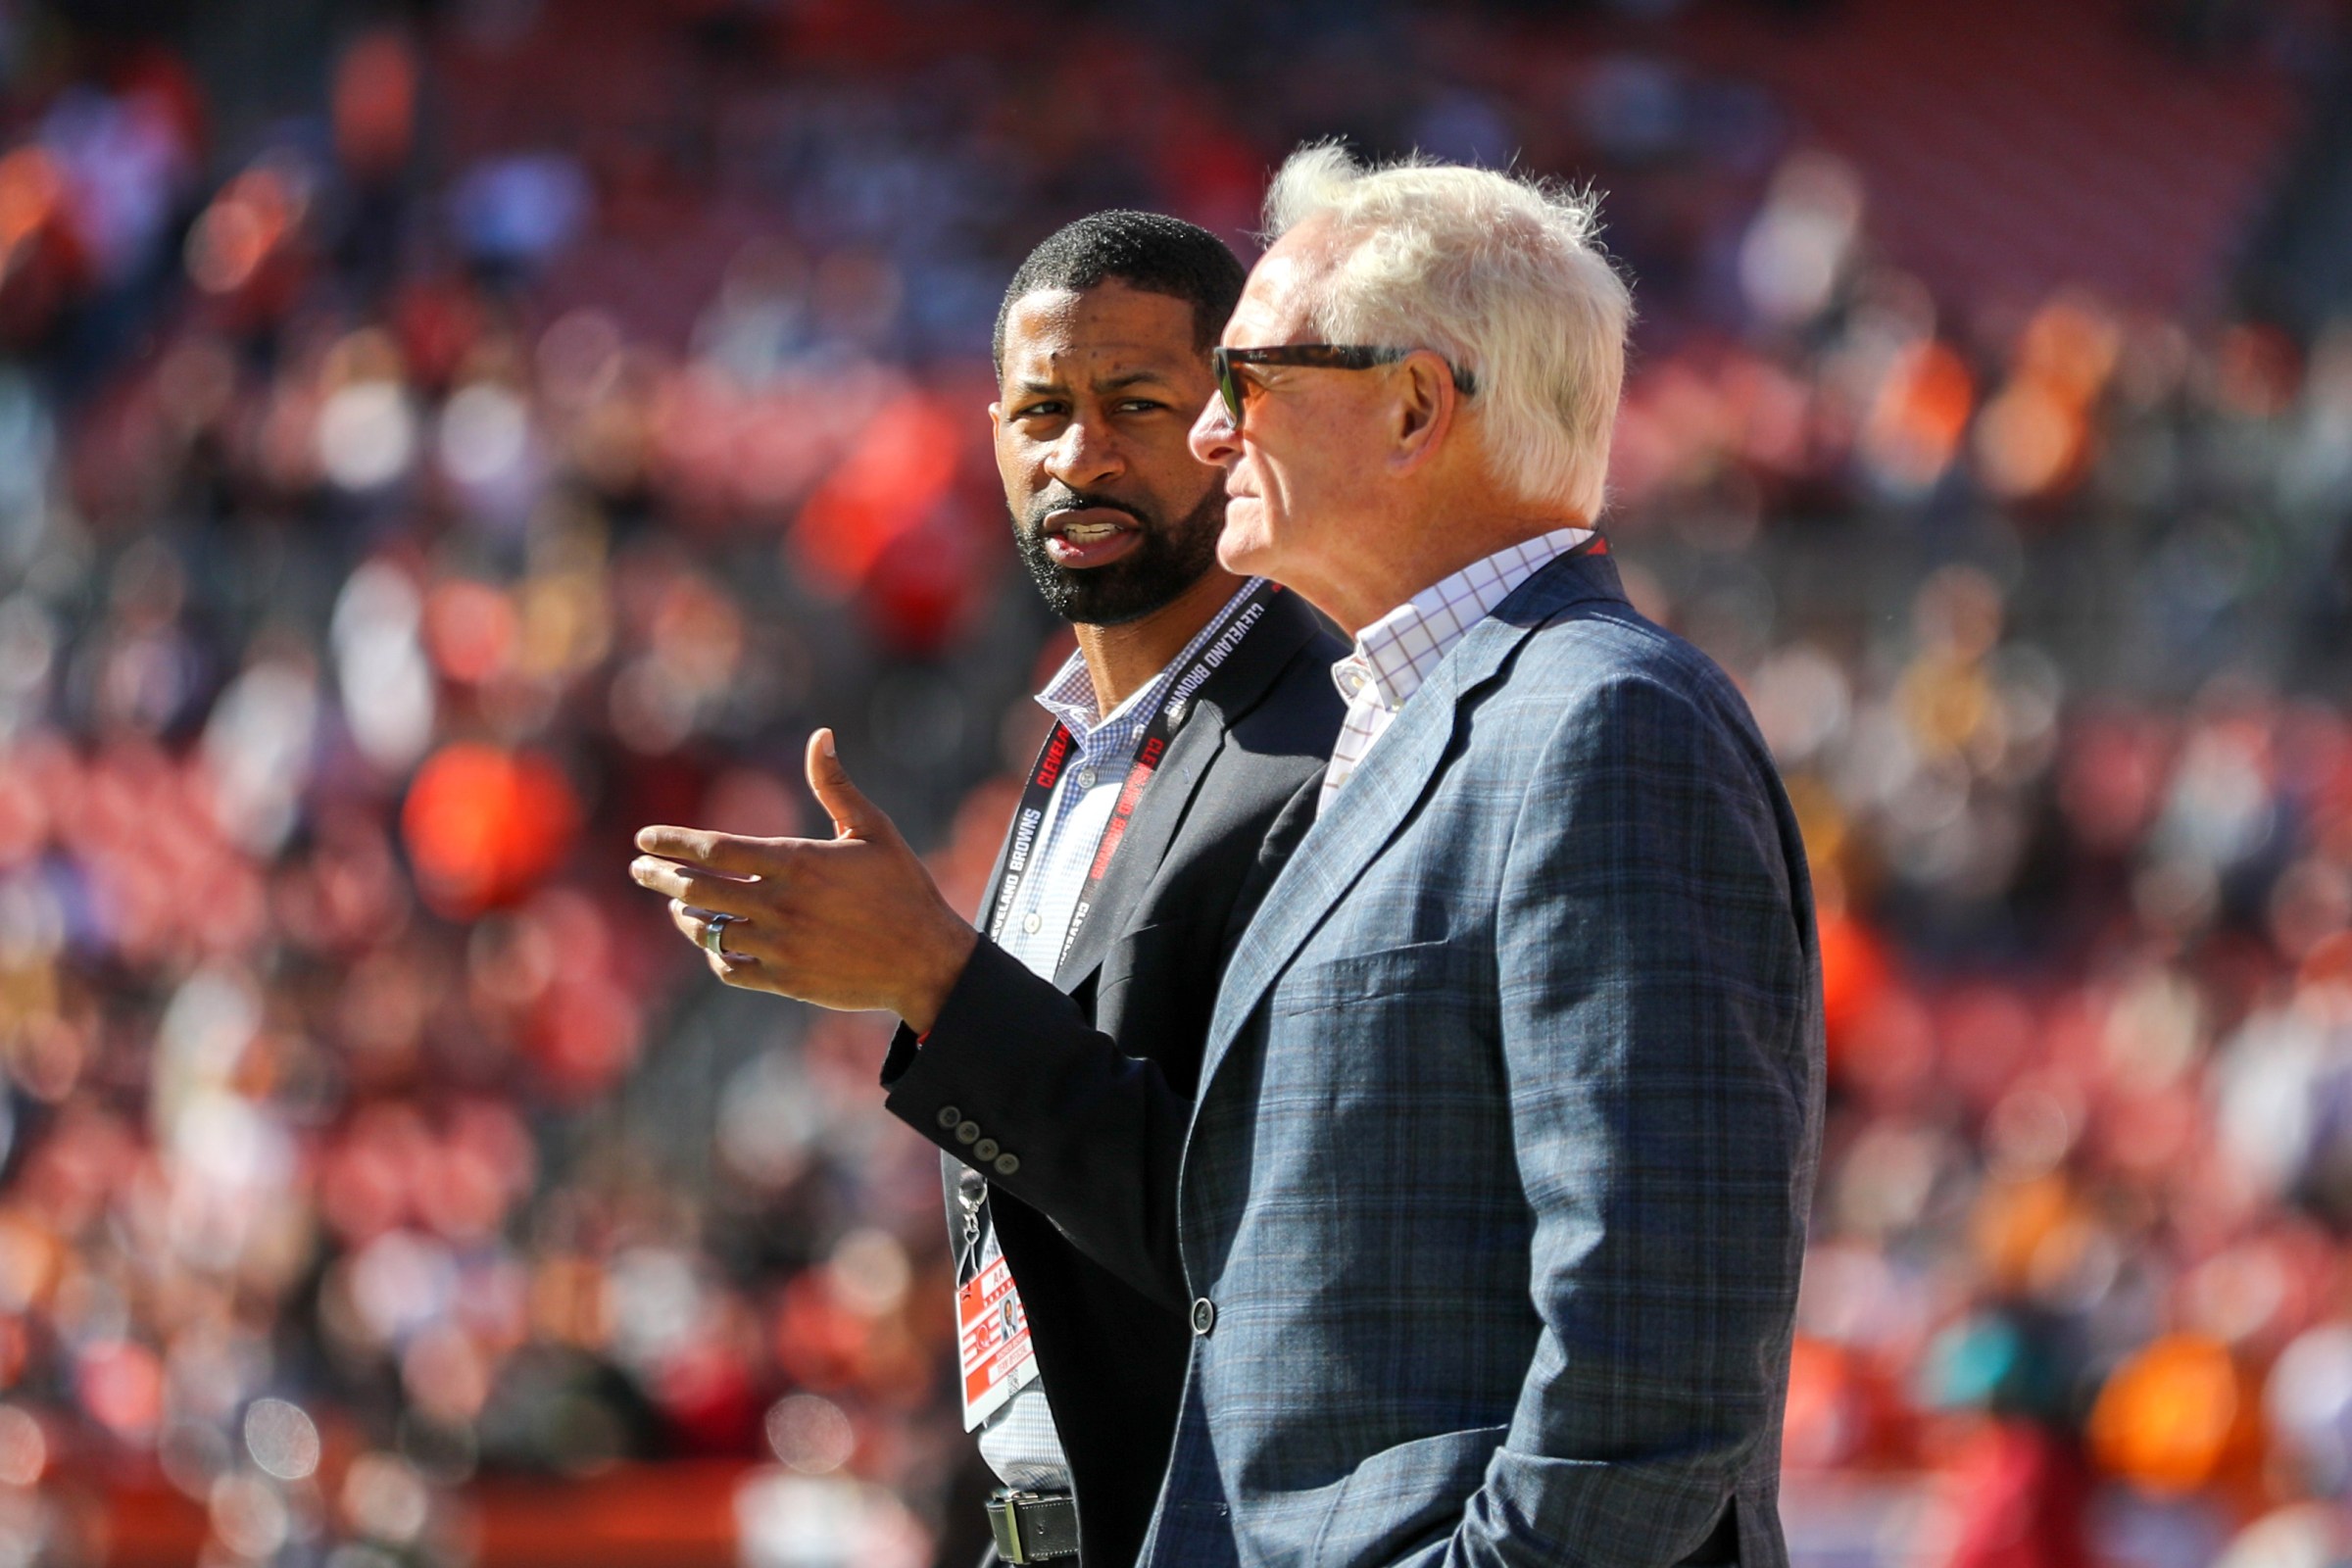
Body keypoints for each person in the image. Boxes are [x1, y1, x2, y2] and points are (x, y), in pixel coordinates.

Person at [1118, 146, 1827, 1566]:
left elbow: (1662, 1350)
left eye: (1248, 376)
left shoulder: (1601, 721)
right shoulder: (1421, 722)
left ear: (1413, 407)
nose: (1205, 432)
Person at [626, 210, 1345, 1568]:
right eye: (1042, 410)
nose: (1081, 454)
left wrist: (933, 983)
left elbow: (1259, 1228)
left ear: (1240, 418)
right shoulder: (1081, 751)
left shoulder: (1325, 741)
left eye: (1137, 403)